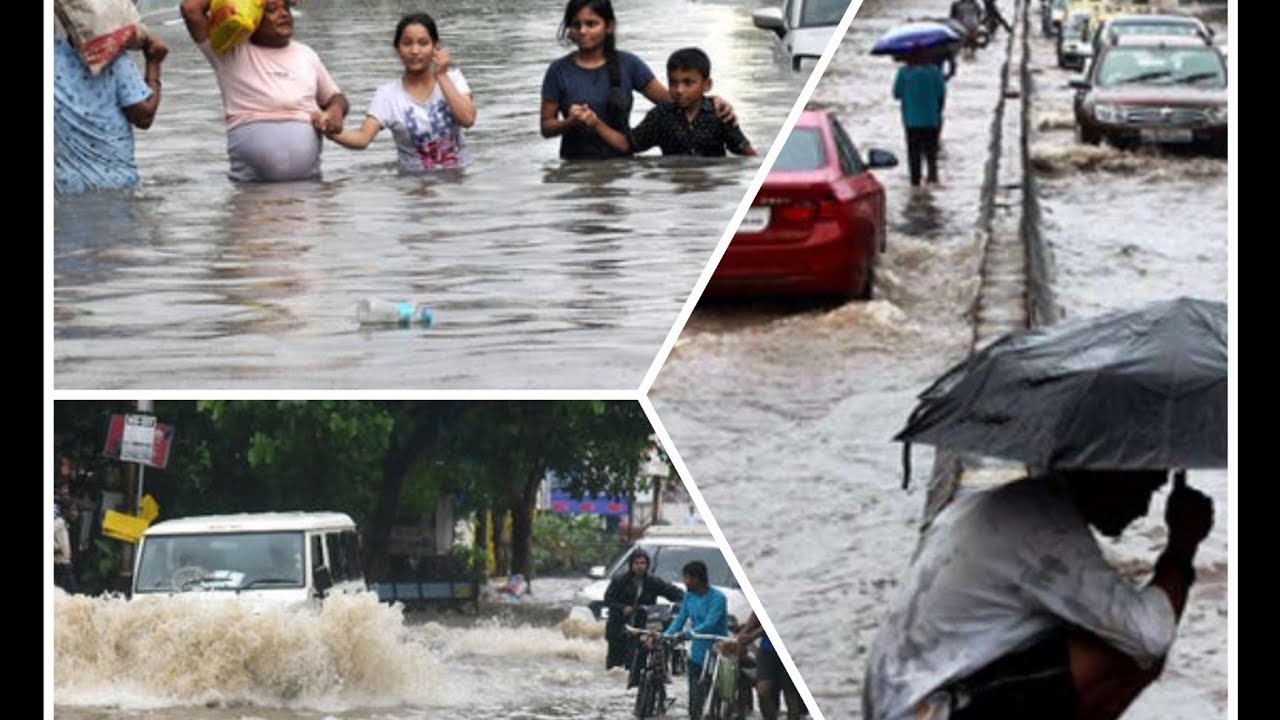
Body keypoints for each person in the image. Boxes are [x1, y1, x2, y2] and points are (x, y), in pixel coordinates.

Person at [862, 470, 1215, 720]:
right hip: (926, 708)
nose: (1143, 509)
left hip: (903, 698)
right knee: (1130, 650)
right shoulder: (1048, 533)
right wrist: (1181, 547)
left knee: (1111, 627)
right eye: (1144, 489)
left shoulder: (1017, 503)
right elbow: (1151, 636)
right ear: (1108, 476)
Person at [539, 0, 735, 160]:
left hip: (622, 168)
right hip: (574, 169)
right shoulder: (558, 71)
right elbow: (546, 127)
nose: (582, 31)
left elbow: (674, 100)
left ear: (609, 27)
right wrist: (570, 122)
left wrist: (712, 103)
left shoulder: (629, 64)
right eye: (576, 25)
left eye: (591, 24)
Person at [179, 0, 349, 182]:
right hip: (251, 190)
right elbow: (191, 9)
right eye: (271, 9)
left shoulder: (306, 54)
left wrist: (335, 111)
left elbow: (334, 97)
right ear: (253, 17)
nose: (284, 14)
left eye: (286, 8)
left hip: (310, 188)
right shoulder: (229, 51)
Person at [326, 13, 476, 171]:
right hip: (413, 182)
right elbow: (362, 138)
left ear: (435, 47)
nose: (415, 51)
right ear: (397, 48)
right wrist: (328, 129)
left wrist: (442, 76)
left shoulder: (453, 79)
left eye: (423, 43)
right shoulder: (387, 95)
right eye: (407, 43)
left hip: (459, 180)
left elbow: (467, 119)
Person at [54, 20, 168, 194]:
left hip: (64, 187)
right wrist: (153, 63)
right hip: (116, 186)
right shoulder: (116, 61)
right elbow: (144, 116)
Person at [589, 47, 756, 158]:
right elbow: (627, 145)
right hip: (675, 191)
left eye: (688, 83)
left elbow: (749, 155)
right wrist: (595, 123)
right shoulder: (661, 116)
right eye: (673, 83)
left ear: (707, 85)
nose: (679, 90)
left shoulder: (720, 114)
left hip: (711, 193)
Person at [665, 560, 729, 720]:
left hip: (716, 648)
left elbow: (710, 623)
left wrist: (687, 635)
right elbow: (680, 620)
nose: (685, 582)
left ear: (698, 579)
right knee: (694, 695)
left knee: (718, 692)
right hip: (697, 651)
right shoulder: (689, 597)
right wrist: (667, 635)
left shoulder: (718, 598)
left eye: (688, 578)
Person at [604, 549, 684, 671]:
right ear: (631, 565)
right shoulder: (619, 580)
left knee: (639, 661)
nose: (639, 566)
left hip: (642, 626)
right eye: (636, 563)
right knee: (615, 666)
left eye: (642, 563)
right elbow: (608, 599)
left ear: (647, 565)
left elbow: (672, 592)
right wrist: (622, 607)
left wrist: (687, 601)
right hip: (619, 626)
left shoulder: (653, 582)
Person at [734, 612, 805, 720]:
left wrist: (753, 635)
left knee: (791, 694)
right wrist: (744, 633)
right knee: (763, 690)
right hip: (767, 650)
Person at [891, 49, 946, 187]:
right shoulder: (934, 71)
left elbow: (896, 94)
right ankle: (932, 181)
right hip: (931, 120)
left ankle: (915, 184)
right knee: (931, 156)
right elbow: (942, 93)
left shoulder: (904, 72)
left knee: (914, 155)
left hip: (911, 121)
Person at [54, 500, 78, 593]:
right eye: (73, 510)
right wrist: (56, 547)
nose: (75, 513)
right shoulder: (59, 522)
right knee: (72, 591)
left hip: (65, 563)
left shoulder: (65, 524)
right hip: (60, 563)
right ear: (65, 511)